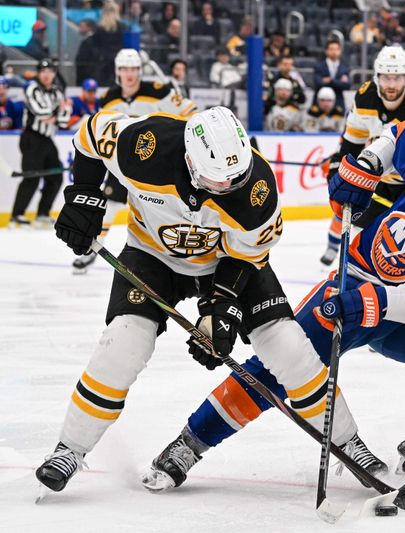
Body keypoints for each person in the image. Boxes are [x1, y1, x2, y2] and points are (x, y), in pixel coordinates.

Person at [142, 120, 405, 499]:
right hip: (356, 279)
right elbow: (399, 131)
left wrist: (371, 303)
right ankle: (189, 444)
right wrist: (369, 164)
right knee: (281, 363)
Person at [34, 106, 380, 495]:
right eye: (217, 183)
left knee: (288, 346)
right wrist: (84, 196)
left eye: (237, 179)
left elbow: (247, 255)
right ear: (190, 161)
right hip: (151, 255)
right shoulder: (145, 147)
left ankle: (348, 442)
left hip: (226, 263)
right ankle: (70, 448)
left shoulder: (257, 190)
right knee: (124, 342)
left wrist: (222, 311)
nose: (231, 189)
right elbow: (90, 134)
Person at [71, 48, 197, 274]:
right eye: (124, 69)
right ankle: (92, 249)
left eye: (134, 69)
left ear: (140, 71)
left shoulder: (158, 91)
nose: (129, 74)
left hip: (158, 163)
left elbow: (190, 112)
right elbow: (103, 131)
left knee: (164, 210)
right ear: (118, 71)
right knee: (109, 205)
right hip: (122, 162)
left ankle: (175, 256)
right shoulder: (108, 97)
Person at [320, 45, 405, 266]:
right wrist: (338, 167)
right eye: (386, 77)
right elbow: (352, 143)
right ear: (377, 76)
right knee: (365, 244)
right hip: (379, 184)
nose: (391, 85)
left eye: (397, 78)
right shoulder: (364, 97)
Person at [10, 59, 70, 228]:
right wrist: (60, 111)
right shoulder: (32, 88)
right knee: (31, 177)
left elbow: (64, 122)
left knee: (56, 177)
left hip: (47, 139)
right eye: (43, 71)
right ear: (38, 73)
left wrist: (55, 116)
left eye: (50, 71)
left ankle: (42, 213)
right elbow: (42, 113)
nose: (47, 75)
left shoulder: (57, 92)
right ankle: (17, 215)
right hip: (32, 138)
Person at [312, 39, 350, 109]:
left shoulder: (344, 68)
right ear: (326, 51)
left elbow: (347, 85)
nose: (334, 52)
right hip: (320, 102)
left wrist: (330, 80)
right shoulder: (319, 66)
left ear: (340, 51)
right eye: (331, 49)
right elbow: (318, 83)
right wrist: (338, 81)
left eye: (336, 49)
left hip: (338, 104)